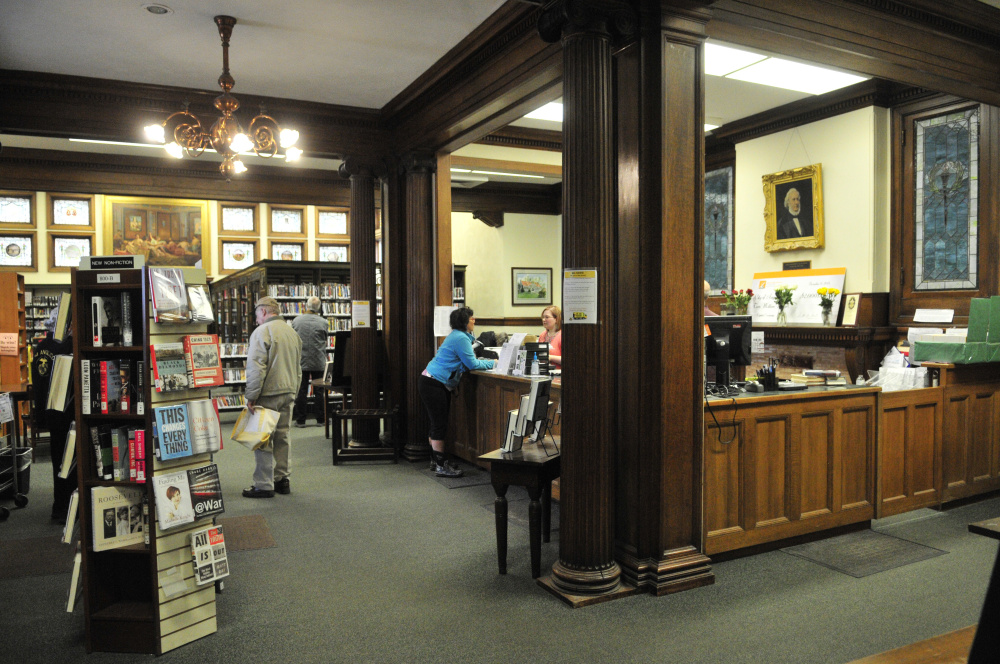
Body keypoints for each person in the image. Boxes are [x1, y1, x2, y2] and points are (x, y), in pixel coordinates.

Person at [419, 306, 495, 478]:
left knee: (436, 423)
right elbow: (473, 365)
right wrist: (494, 364)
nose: (474, 320)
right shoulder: (461, 338)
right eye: (472, 318)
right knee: (439, 425)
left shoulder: (458, 336)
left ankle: (436, 461)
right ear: (464, 321)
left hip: (431, 381)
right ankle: (440, 466)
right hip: (434, 383)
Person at [243, 296, 302, 498]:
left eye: (257, 315)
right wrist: (295, 390)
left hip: (268, 394)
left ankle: (263, 484)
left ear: (264, 312)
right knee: (283, 436)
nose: (256, 319)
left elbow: (256, 368)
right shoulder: (292, 332)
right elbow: (298, 368)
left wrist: (251, 395)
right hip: (288, 391)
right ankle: (282, 479)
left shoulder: (261, 332)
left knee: (263, 439)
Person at [30, 306, 75, 523]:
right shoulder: (65, 346)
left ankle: (59, 508)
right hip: (66, 413)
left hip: (50, 413)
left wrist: (40, 416)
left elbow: (38, 382)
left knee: (58, 462)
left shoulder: (40, 347)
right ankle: (66, 509)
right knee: (69, 462)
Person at [291, 295, 327, 427]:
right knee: (319, 391)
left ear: (307, 306)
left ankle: (301, 420)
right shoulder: (323, 322)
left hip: (301, 360)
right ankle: (321, 419)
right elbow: (325, 338)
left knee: (301, 390)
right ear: (319, 308)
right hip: (318, 360)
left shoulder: (296, 321)